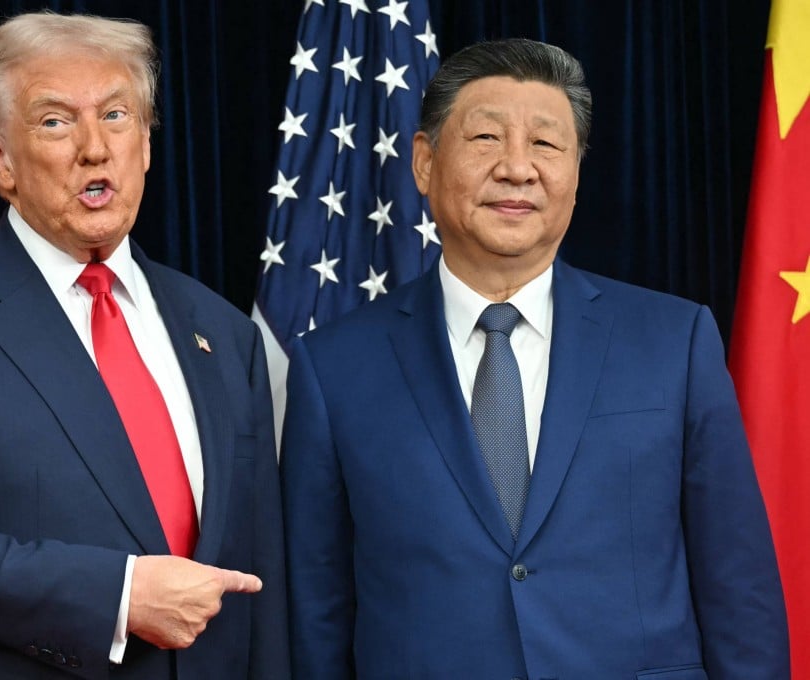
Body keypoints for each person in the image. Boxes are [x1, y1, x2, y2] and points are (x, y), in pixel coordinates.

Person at [280, 38, 788, 679]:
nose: (518, 169)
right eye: (486, 139)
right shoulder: (333, 369)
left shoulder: (674, 341)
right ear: (424, 163)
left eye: (546, 145)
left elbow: (737, 582)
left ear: (576, 172)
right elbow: (318, 611)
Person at [0, 12, 288, 680]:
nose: (94, 148)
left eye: (116, 116)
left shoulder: (222, 331)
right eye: (55, 121)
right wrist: (117, 595)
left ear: (144, 144)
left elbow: (260, 577)